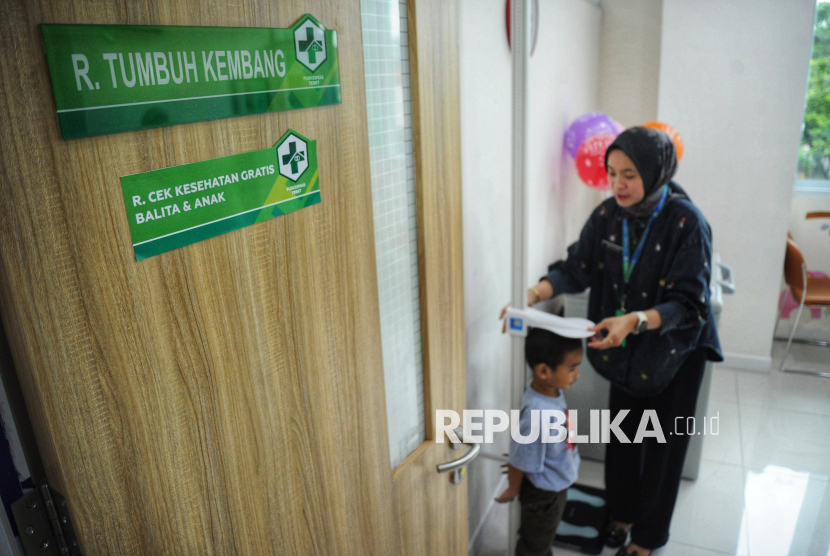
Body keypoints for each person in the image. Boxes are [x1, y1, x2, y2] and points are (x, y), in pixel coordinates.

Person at [527, 127, 722, 556]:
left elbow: (690, 305)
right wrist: (535, 292)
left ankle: (648, 538)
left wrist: (633, 321)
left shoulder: (687, 223)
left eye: (630, 174)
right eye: (612, 172)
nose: (618, 184)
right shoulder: (608, 215)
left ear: (654, 173)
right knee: (624, 437)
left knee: (662, 450)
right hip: (628, 350)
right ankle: (620, 514)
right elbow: (577, 266)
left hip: (675, 353)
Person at [495, 327, 584, 556]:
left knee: (542, 537)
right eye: (572, 368)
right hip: (544, 495)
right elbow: (519, 459)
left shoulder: (551, 392)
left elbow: (524, 452)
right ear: (544, 371)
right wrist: (513, 488)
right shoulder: (537, 413)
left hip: (556, 483)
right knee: (534, 545)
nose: (577, 374)